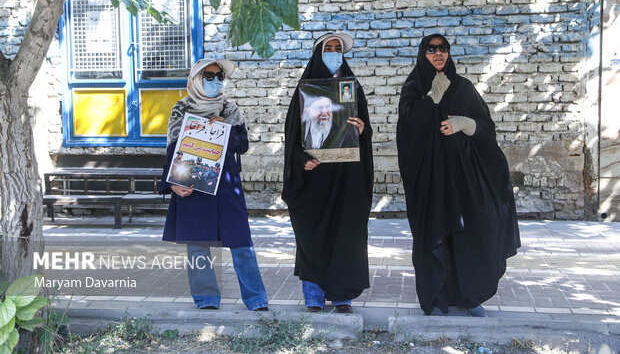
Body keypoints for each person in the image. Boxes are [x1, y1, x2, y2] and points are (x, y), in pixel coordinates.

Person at [396, 34, 521, 317]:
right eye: (431, 49)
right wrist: (431, 100)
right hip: (430, 180)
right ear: (422, 53)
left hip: (464, 178)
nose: (438, 54)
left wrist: (465, 124)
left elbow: (486, 128)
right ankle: (437, 299)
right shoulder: (414, 87)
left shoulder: (463, 87)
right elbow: (407, 130)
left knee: (469, 233)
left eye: (443, 49)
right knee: (434, 236)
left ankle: (468, 296)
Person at [159, 58, 269, 311]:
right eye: (208, 76)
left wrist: (225, 130)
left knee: (241, 242)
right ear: (197, 78)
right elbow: (172, 148)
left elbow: (242, 145)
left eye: (219, 77)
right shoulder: (181, 109)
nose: (215, 81)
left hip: (226, 185)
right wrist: (172, 183)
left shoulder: (230, 109)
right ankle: (206, 298)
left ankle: (256, 299)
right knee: (197, 243)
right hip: (192, 184)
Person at [282, 32, 374, 313]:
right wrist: (301, 160)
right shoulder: (304, 90)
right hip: (315, 178)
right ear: (317, 53)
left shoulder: (353, 88)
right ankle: (313, 294)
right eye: (328, 48)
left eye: (338, 48)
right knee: (312, 234)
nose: (334, 53)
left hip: (346, 179)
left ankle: (341, 294)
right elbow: (293, 137)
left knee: (345, 234)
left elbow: (366, 134)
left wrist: (361, 130)